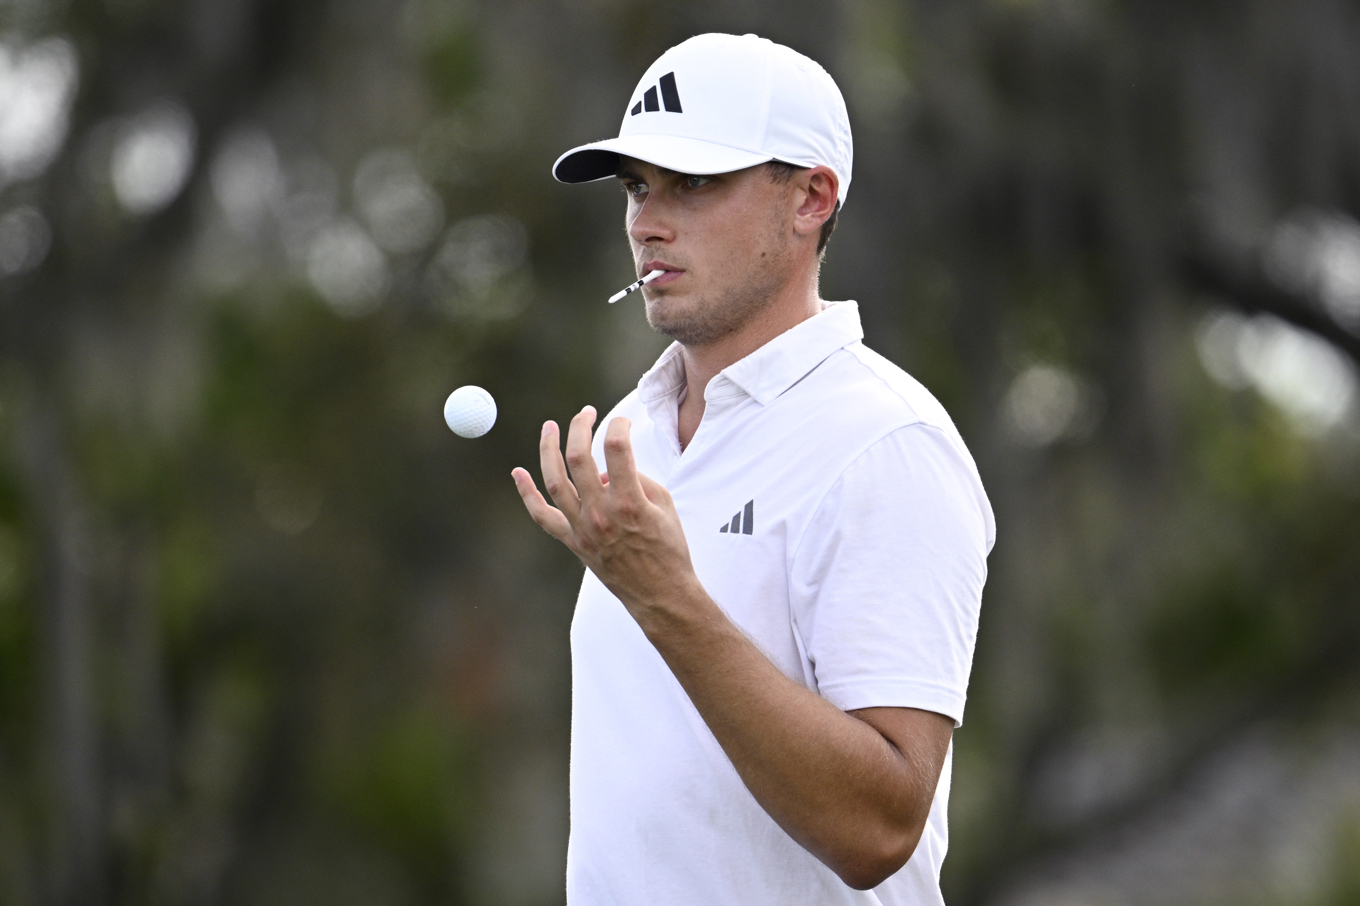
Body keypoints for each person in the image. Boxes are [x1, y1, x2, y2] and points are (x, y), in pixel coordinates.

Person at [511, 32, 994, 905]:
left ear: (811, 198)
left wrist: (666, 597)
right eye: (637, 186)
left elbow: (880, 831)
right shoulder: (630, 429)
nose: (646, 223)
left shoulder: (888, 442)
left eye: (693, 183)